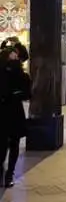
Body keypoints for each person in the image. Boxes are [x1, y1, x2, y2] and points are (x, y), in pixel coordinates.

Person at [0, 47, 30, 187]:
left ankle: (9, 173)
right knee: (2, 145)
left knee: (14, 143)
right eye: (11, 57)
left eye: (15, 57)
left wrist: (14, 95)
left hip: (15, 112)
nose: (14, 59)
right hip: (2, 112)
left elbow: (27, 93)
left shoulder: (22, 76)